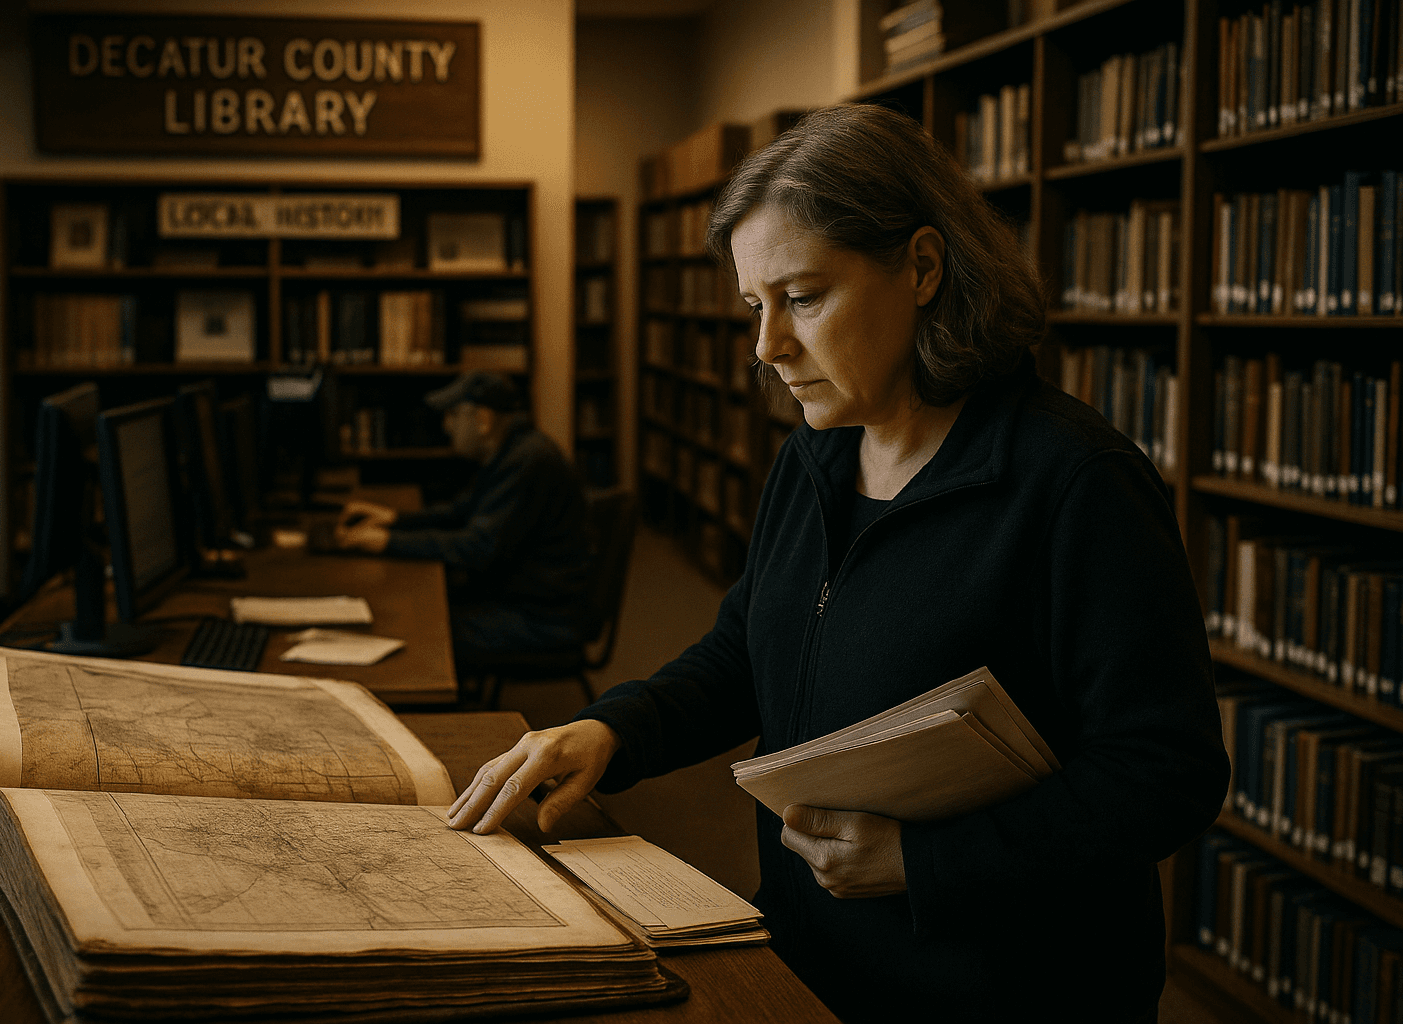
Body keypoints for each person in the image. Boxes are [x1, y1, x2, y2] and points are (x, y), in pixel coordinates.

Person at [444, 104, 1228, 1023]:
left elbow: (1166, 773)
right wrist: (614, 731)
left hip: (1005, 990)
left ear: (924, 269)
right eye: (753, 306)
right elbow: (747, 647)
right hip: (809, 958)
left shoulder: (1074, 484)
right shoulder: (816, 454)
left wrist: (924, 863)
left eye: (803, 298)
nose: (767, 348)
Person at [336, 370, 593, 666]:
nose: (446, 427)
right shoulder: (514, 451)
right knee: (416, 612)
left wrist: (389, 541)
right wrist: (395, 520)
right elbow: (461, 511)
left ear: (482, 420)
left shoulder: (526, 461)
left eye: (454, 415)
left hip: (543, 618)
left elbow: (477, 547)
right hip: (529, 600)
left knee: (417, 632)